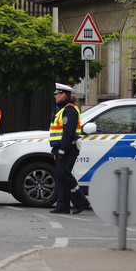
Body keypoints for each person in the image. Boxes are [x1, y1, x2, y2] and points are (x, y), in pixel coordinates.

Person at [49, 83, 91, 214]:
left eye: (58, 93)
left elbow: (68, 133)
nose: (55, 96)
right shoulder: (62, 109)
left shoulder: (69, 110)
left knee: (64, 174)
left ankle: (82, 202)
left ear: (64, 95)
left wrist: (62, 150)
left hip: (68, 148)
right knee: (61, 175)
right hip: (61, 148)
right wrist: (56, 149)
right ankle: (63, 205)